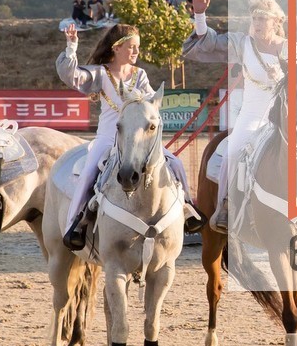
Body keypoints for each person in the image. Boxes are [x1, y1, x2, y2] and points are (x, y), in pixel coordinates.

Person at [55, 22, 195, 249]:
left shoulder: (140, 75)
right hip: (108, 139)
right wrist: (72, 46)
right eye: (131, 47)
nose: (136, 52)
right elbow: (70, 75)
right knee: (89, 173)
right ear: (116, 48)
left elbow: (150, 103)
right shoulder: (101, 73)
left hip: (137, 140)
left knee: (176, 163)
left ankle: (187, 209)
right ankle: (76, 224)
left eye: (137, 47)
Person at [181, 0, 297, 231]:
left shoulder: (292, 48)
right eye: (255, 18)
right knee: (232, 152)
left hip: (283, 116)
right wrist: (200, 16)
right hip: (252, 114)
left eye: (263, 19)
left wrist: (283, 76)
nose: (257, 23)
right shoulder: (242, 43)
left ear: (276, 21)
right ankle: (225, 205)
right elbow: (208, 42)